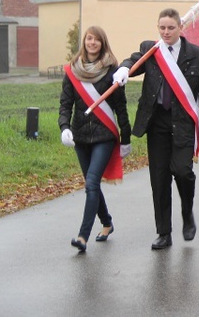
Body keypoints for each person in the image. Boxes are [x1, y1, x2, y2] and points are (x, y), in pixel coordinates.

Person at [113, 8, 199, 250]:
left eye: (170, 27)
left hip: (183, 123)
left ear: (181, 27)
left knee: (182, 171)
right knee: (159, 179)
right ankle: (164, 232)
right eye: (162, 28)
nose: (166, 32)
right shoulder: (152, 49)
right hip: (157, 121)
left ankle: (187, 211)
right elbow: (133, 61)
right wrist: (123, 69)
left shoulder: (198, 56)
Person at [59, 26, 131, 252]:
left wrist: (126, 138)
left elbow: (120, 107)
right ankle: (107, 222)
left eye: (96, 40)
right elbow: (65, 103)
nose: (92, 43)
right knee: (92, 185)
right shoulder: (72, 70)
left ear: (102, 43)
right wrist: (64, 127)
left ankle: (82, 236)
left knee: (91, 183)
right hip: (81, 136)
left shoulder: (112, 71)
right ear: (84, 41)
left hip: (104, 135)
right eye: (89, 39)